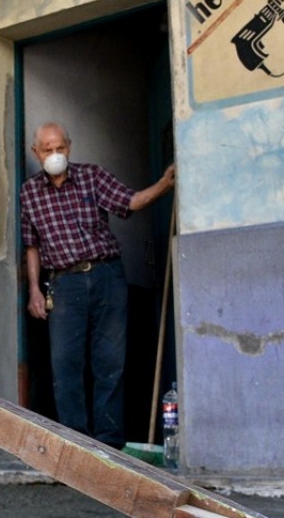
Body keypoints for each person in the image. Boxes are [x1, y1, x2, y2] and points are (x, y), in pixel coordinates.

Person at [21, 122, 175, 449]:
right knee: (65, 365)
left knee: (110, 362)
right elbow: (31, 245)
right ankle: (76, 444)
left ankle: (108, 443)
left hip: (107, 276)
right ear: (36, 153)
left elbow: (130, 202)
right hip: (64, 284)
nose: (55, 154)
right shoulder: (29, 193)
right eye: (47, 149)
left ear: (69, 147)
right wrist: (34, 290)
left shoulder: (91, 176)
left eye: (60, 148)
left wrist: (164, 184)